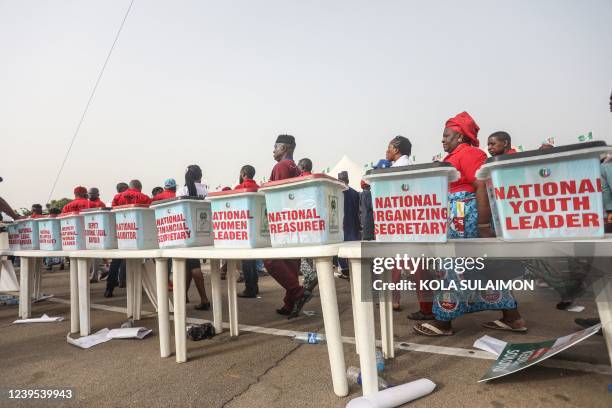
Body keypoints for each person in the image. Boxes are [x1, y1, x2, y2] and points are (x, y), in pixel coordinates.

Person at [413, 112, 525, 336]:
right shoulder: (455, 155)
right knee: (479, 269)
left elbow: (481, 186)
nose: (442, 140)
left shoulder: (470, 153)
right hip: (457, 218)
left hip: (464, 218)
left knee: (452, 268)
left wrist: (483, 226)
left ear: (460, 137)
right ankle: (512, 317)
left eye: (447, 135)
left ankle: (444, 321)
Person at [265, 134, 311, 318]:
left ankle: (298, 292)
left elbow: (279, 196)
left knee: (271, 261)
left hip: (283, 221)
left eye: (275, 147)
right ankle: (290, 304)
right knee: (291, 264)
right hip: (295, 222)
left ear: (284, 148)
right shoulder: (295, 167)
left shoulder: (281, 166)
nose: (273, 151)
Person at [177, 165, 210, 310]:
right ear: (200, 175)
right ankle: (183, 296)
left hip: (188, 233)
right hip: (204, 231)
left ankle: (204, 299)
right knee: (189, 266)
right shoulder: (206, 190)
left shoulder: (182, 191)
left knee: (194, 267)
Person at [233, 165, 260, 298]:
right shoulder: (259, 188)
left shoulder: (239, 188)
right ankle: (255, 286)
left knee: (247, 260)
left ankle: (250, 288)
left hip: (244, 226)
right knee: (253, 259)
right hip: (257, 227)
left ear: (243, 174)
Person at [297, 158, 317, 292]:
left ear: (302, 167)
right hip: (313, 220)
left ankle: (310, 275)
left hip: (302, 220)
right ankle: (307, 282)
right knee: (309, 252)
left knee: (301, 254)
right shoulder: (314, 180)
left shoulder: (299, 180)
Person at [336, 171, 361, 279]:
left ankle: (344, 269)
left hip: (342, 225)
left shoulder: (337, 192)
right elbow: (358, 211)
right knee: (353, 248)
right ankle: (354, 269)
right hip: (354, 224)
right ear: (348, 180)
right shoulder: (355, 193)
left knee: (341, 249)